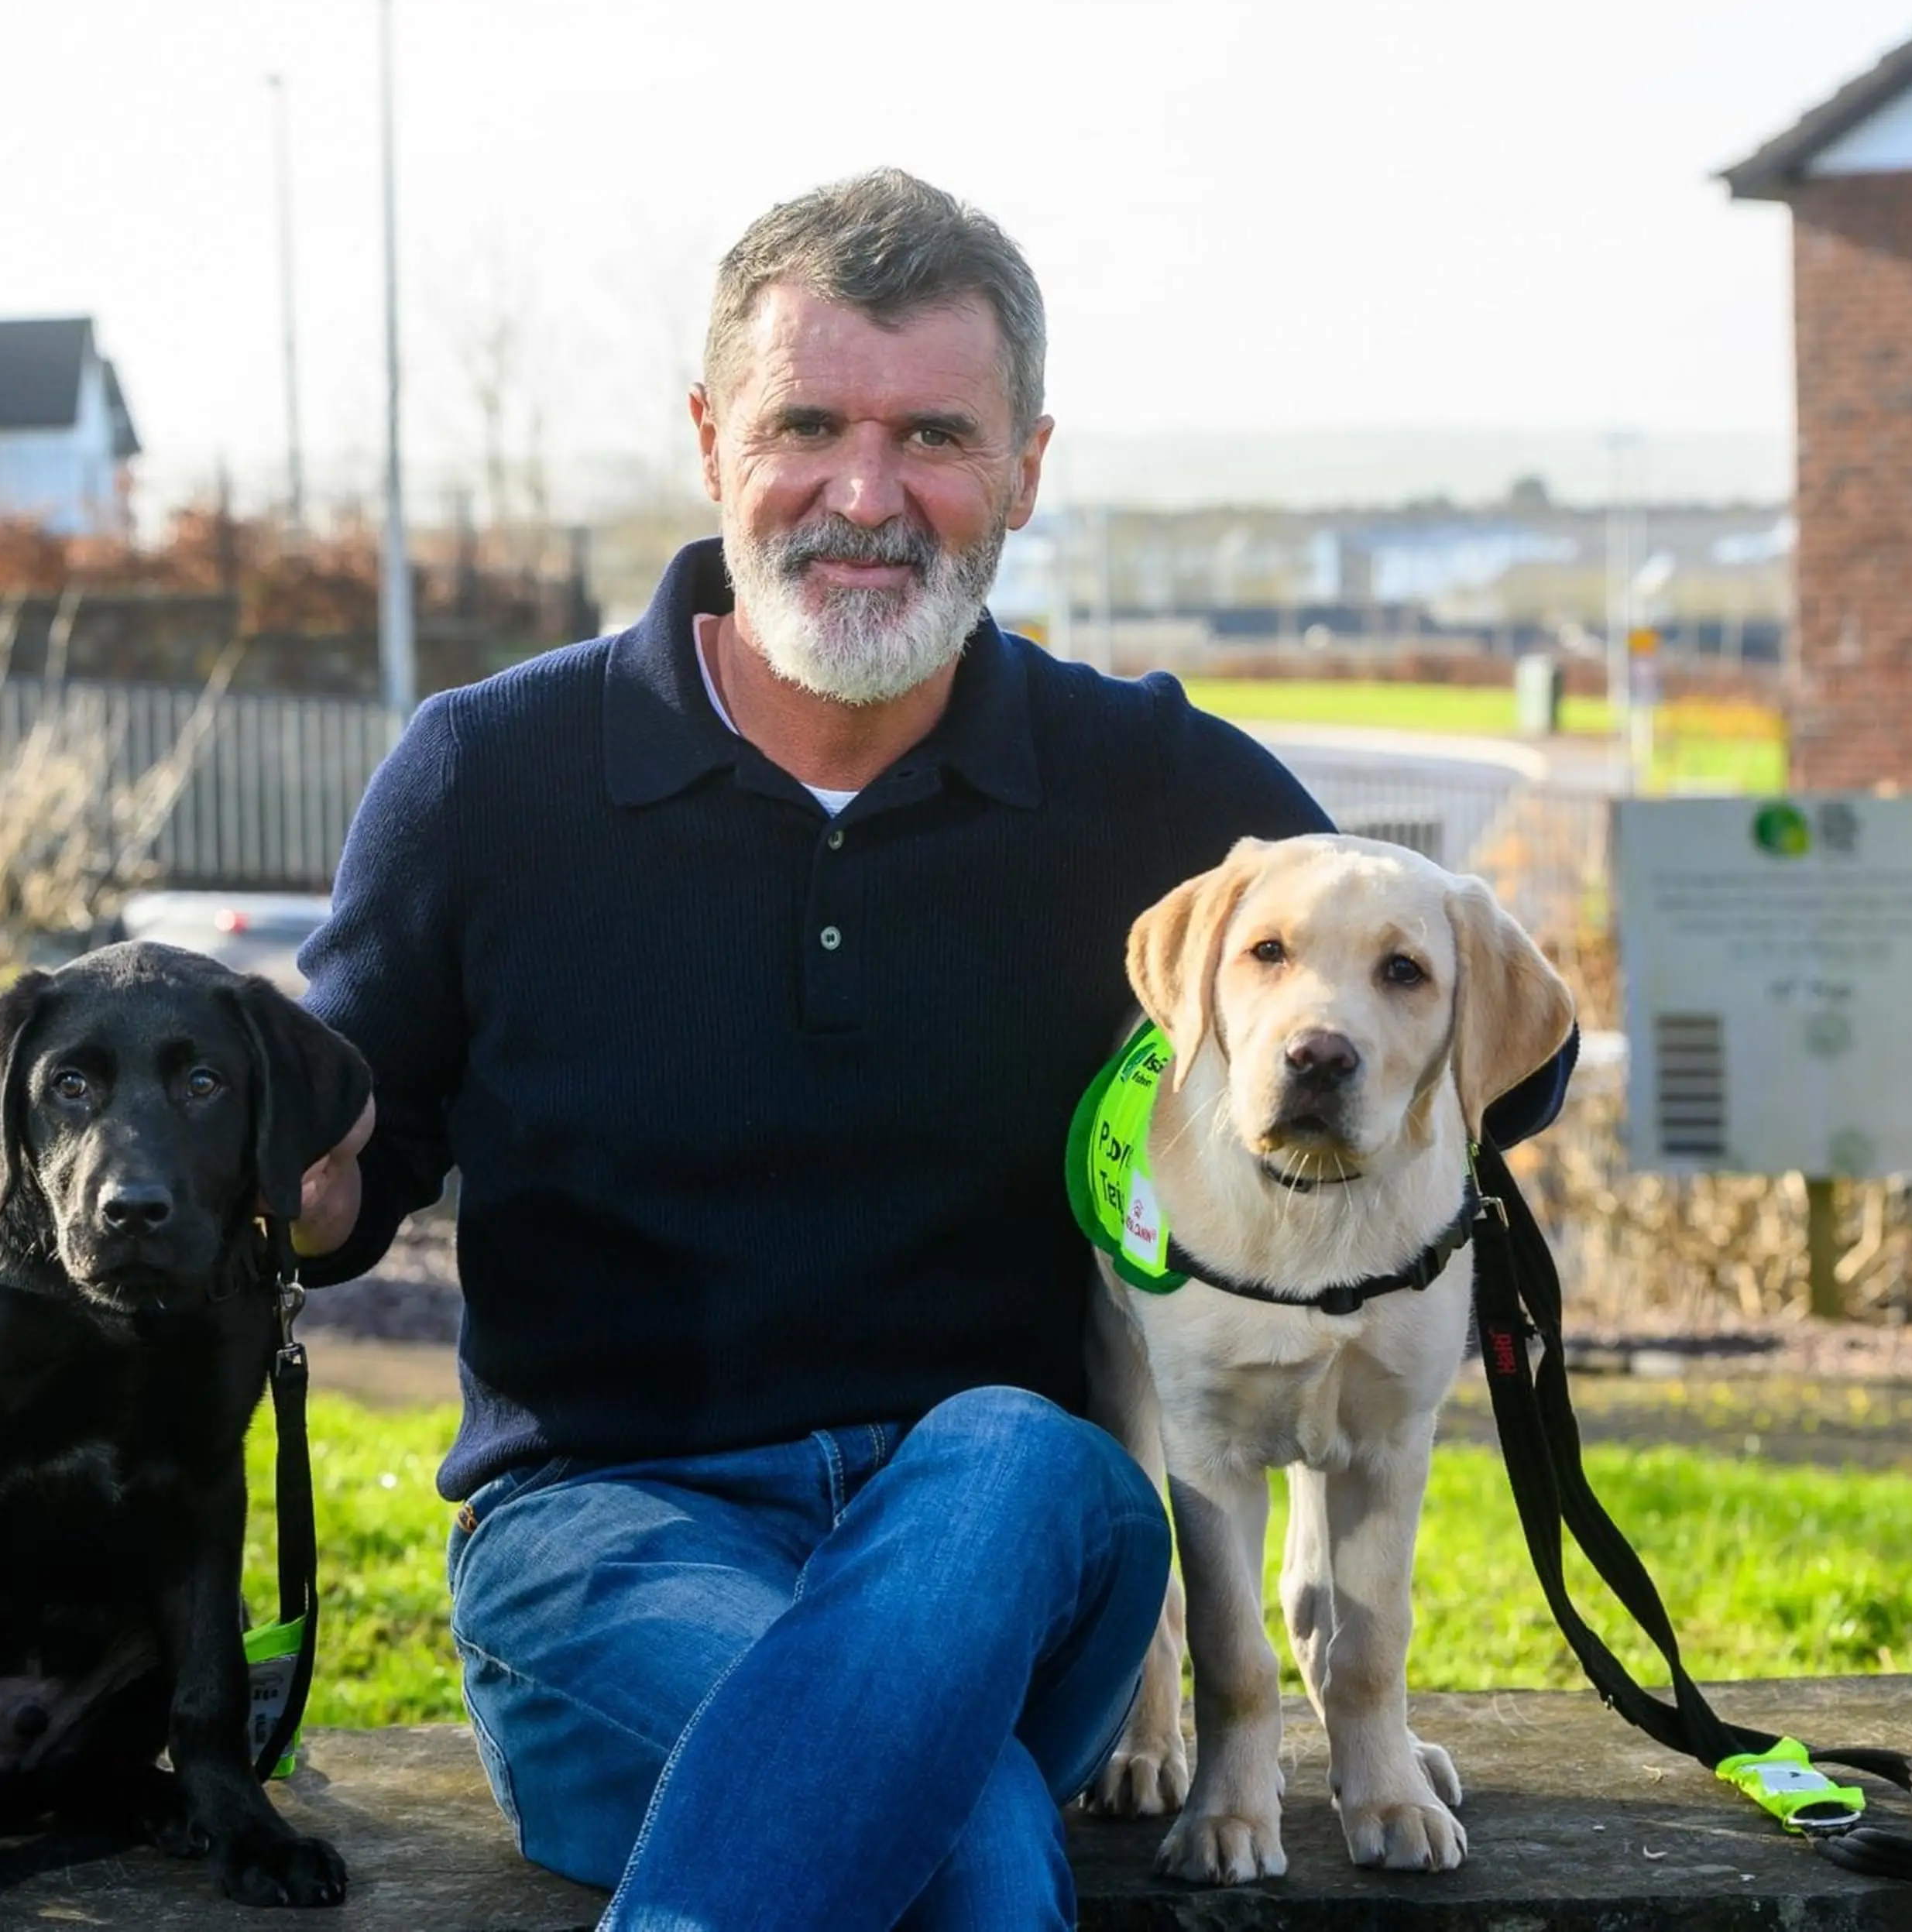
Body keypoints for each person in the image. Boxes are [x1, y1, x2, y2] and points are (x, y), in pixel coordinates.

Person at [288, 169, 1570, 1930]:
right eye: (806, 422)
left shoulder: (1159, 788)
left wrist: (1448, 1077)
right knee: (954, 1829)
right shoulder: (488, 776)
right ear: (710, 441)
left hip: (1009, 1534)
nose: (866, 493)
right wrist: (253, 1170)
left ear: (1028, 467)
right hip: (615, 1532)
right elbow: (335, 1178)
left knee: (1022, 1447)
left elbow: (1418, 1003)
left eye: (934, 435)